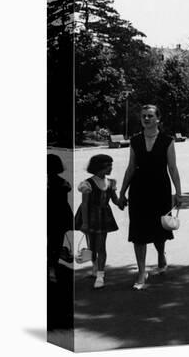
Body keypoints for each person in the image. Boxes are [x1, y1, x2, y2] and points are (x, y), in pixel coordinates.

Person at [119, 104, 182, 290]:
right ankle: (141, 272)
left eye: (150, 116)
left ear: (158, 119)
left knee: (159, 229)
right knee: (138, 231)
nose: (146, 119)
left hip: (160, 189)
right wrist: (122, 192)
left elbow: (172, 168)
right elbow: (131, 167)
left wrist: (178, 193)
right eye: (144, 116)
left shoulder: (167, 140)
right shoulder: (135, 140)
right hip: (138, 190)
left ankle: (161, 254)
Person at [76, 154, 120, 289]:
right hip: (90, 216)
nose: (111, 168)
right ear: (100, 167)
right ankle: (95, 268)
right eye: (109, 166)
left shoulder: (111, 182)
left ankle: (100, 274)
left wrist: (124, 202)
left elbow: (115, 200)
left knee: (101, 246)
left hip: (104, 217)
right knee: (92, 246)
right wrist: (85, 222)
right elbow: (84, 204)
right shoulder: (88, 183)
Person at [47, 154, 74, 283]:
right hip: (58, 218)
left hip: (51, 216)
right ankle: (52, 269)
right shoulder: (63, 184)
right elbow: (64, 203)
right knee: (55, 244)